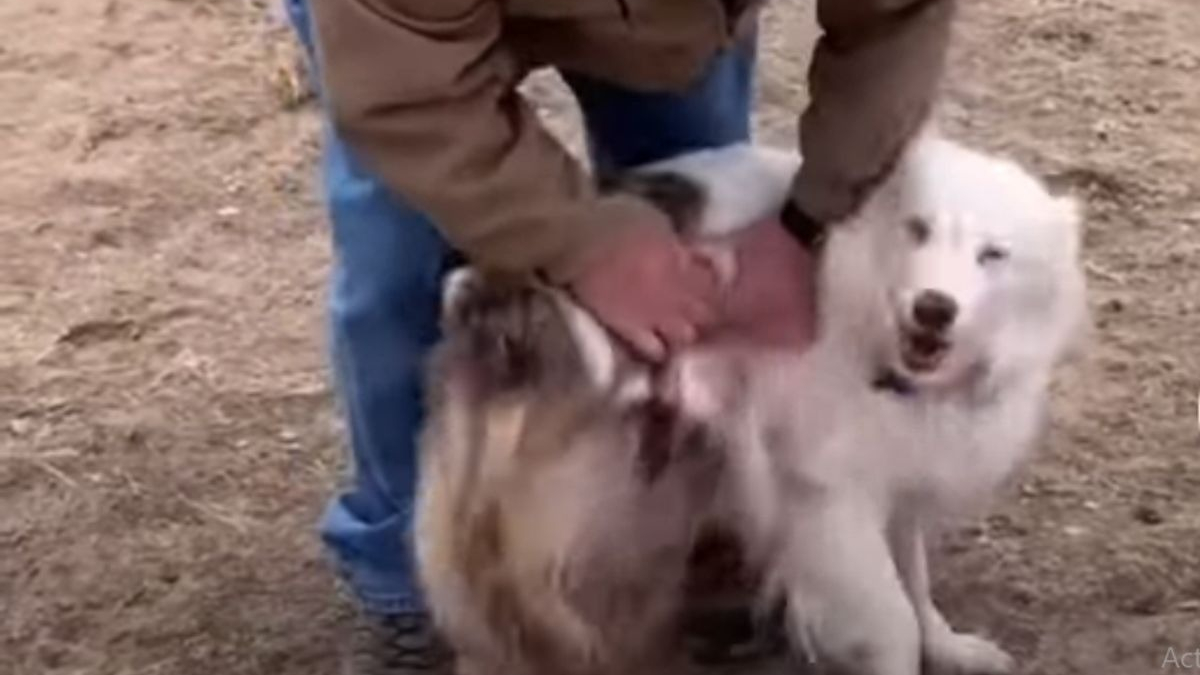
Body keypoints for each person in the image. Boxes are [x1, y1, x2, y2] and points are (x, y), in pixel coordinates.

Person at [283, 1, 956, 673]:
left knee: (696, 212)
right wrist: (581, 243)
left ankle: (711, 544)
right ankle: (409, 579)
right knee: (396, 276)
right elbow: (407, 94)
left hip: (672, 22)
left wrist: (808, 224)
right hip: (400, 33)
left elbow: (897, 17)